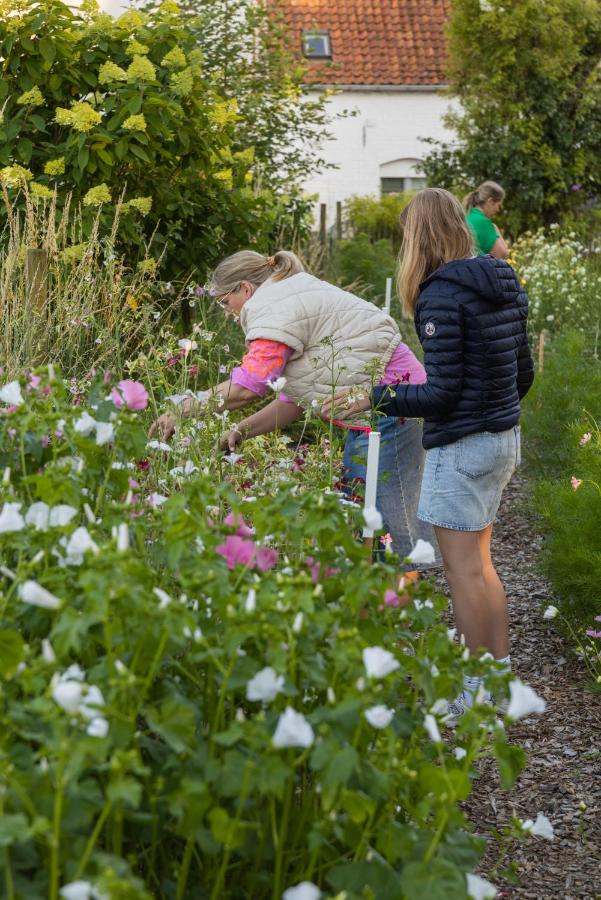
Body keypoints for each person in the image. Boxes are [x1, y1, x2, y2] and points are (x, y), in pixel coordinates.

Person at [324, 188, 534, 715]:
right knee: (482, 565)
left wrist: (372, 396)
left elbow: (440, 393)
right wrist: (490, 407)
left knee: (462, 571)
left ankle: (473, 693)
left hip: (463, 445)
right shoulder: (504, 281)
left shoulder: (441, 295)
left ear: (418, 238)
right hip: (502, 439)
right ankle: (499, 684)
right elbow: (523, 374)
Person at [149, 249, 439, 578]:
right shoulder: (287, 298)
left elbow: (247, 387)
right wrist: (242, 431)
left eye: (224, 302)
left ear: (245, 288)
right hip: (382, 412)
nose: (227, 313)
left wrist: (184, 408)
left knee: (382, 524)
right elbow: (294, 400)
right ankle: (377, 603)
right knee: (361, 516)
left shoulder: (273, 307)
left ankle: (393, 609)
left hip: (391, 409)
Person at [464, 180, 509, 259]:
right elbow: (502, 255)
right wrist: (495, 228)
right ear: (490, 201)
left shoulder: (466, 217)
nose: (498, 210)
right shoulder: (483, 222)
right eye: (498, 205)